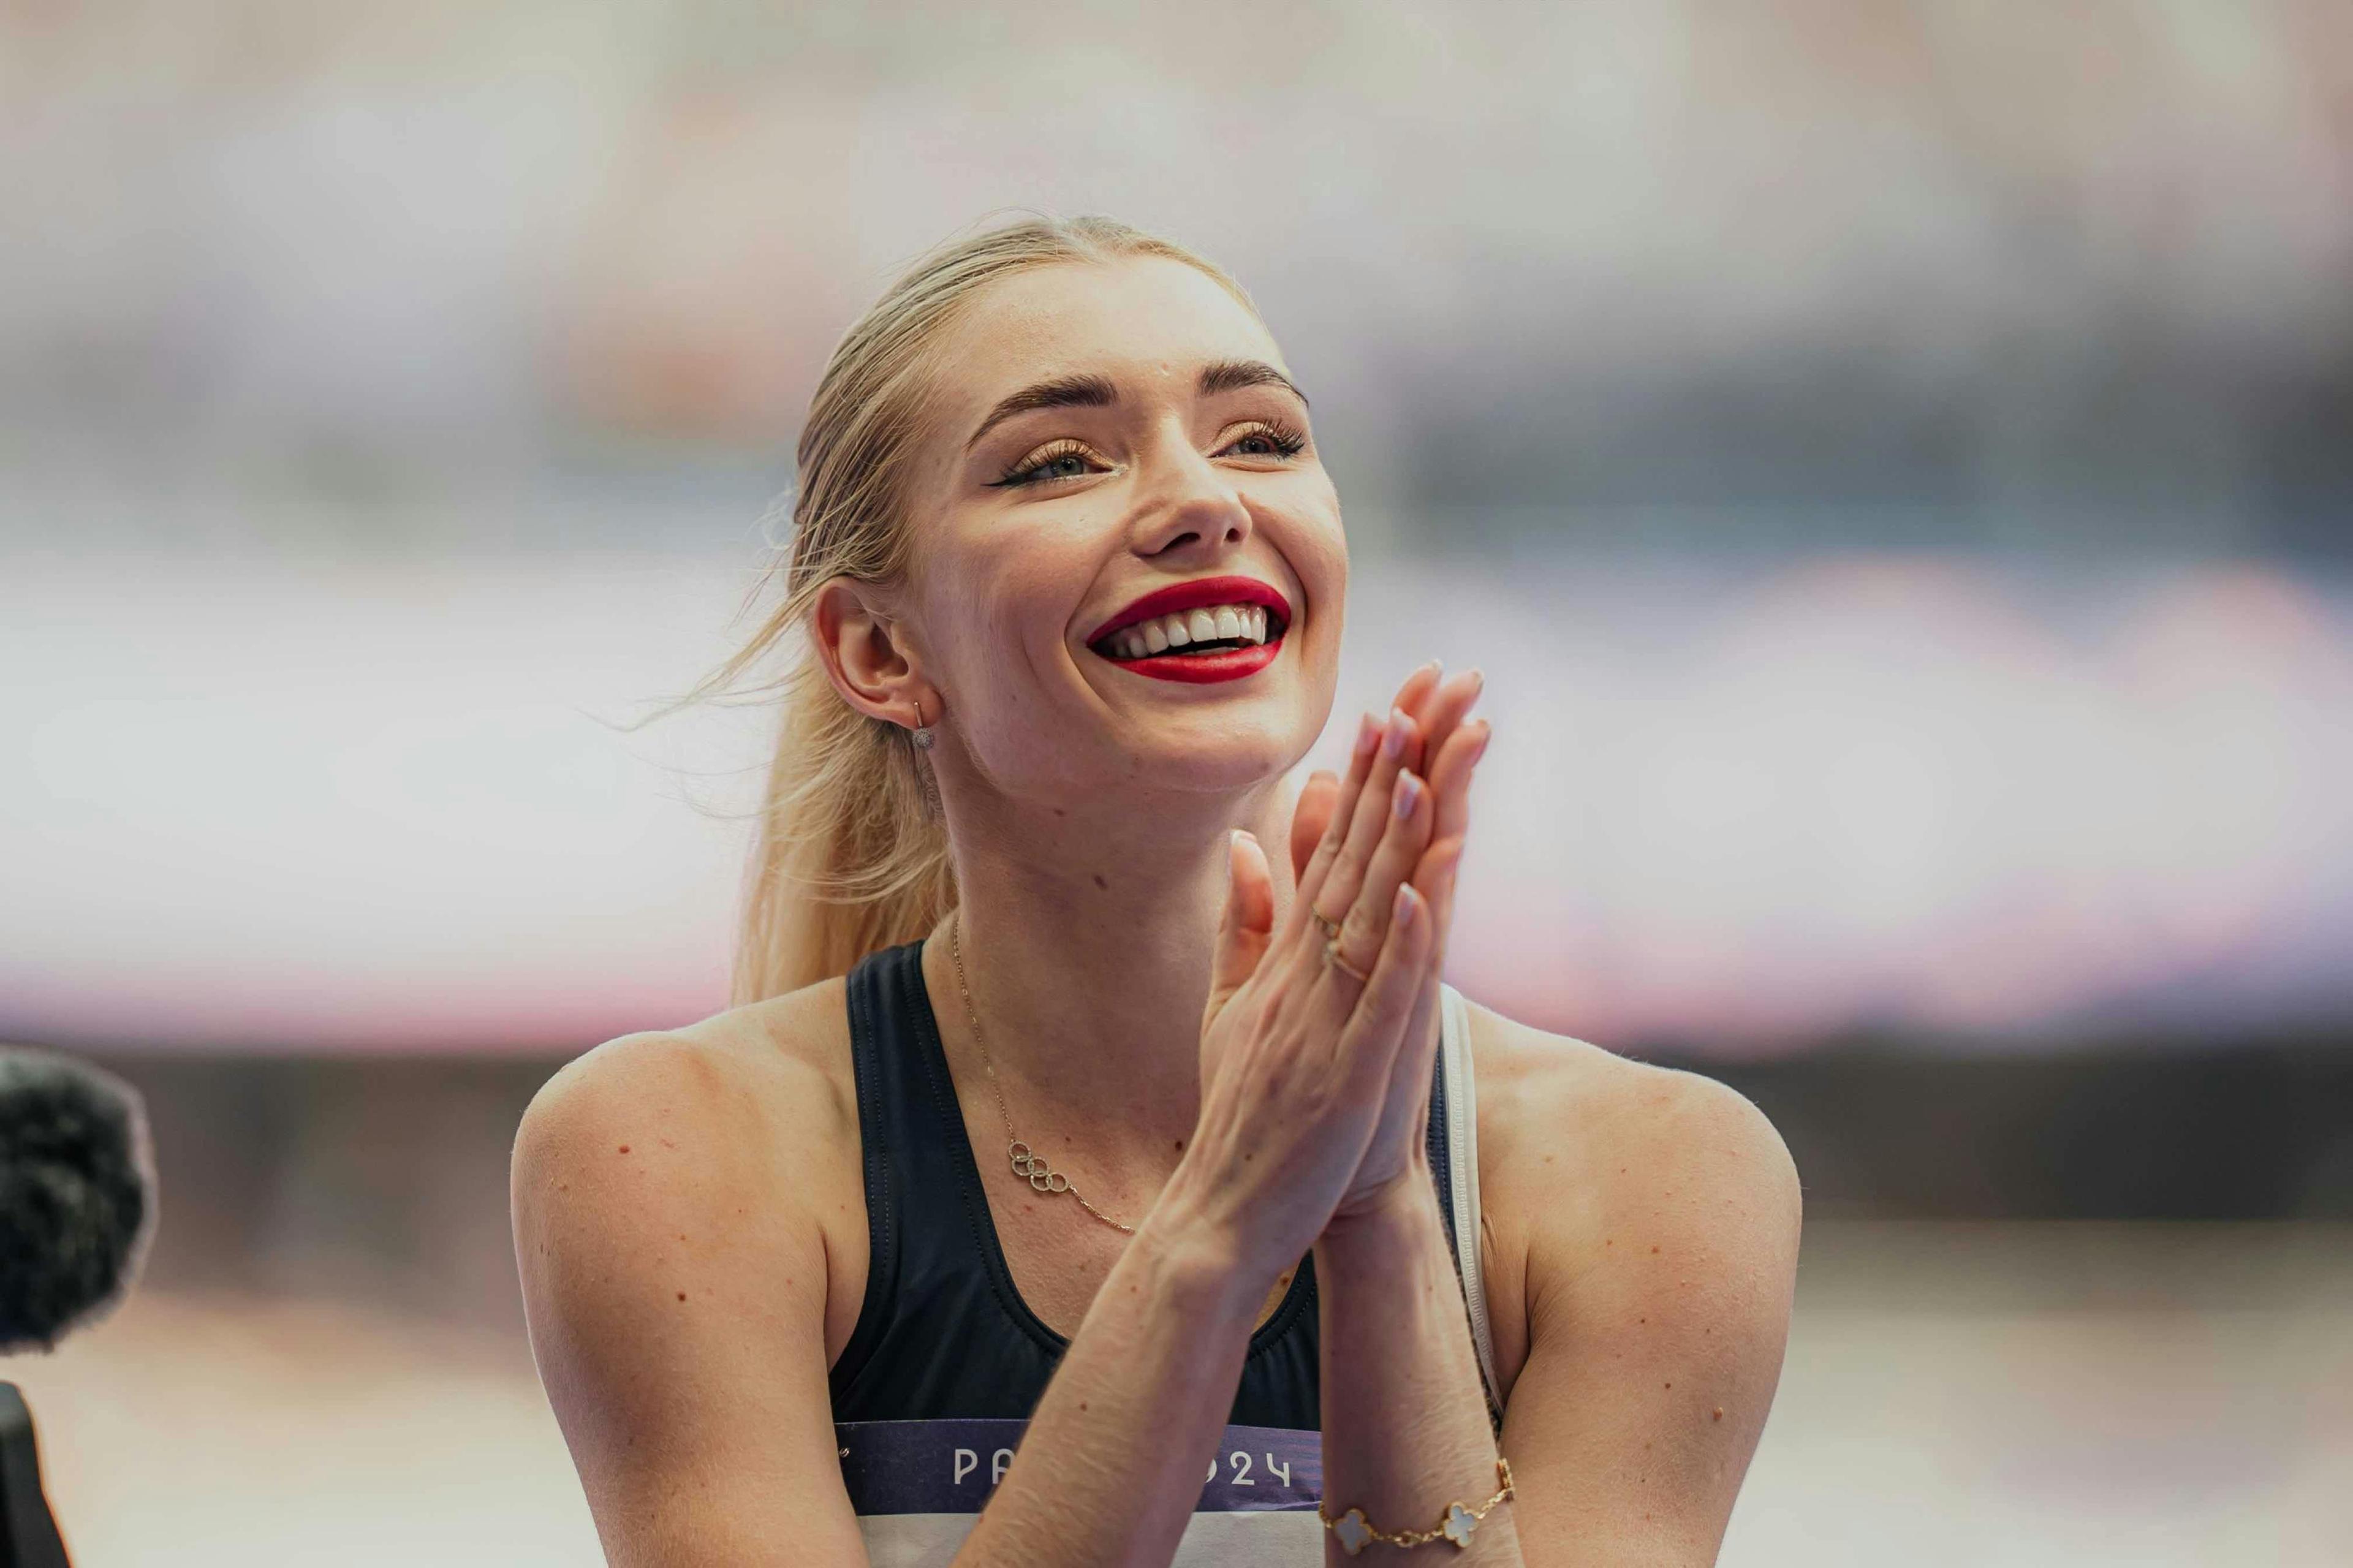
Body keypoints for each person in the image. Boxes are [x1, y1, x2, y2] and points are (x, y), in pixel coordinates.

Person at [510, 216, 1801, 1566]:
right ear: (880, 648)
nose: (1207, 499)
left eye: (1262, 438)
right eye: (1060, 460)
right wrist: (1216, 1232)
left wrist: (1378, 1215)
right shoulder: (666, 1150)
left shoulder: (1658, 1174)